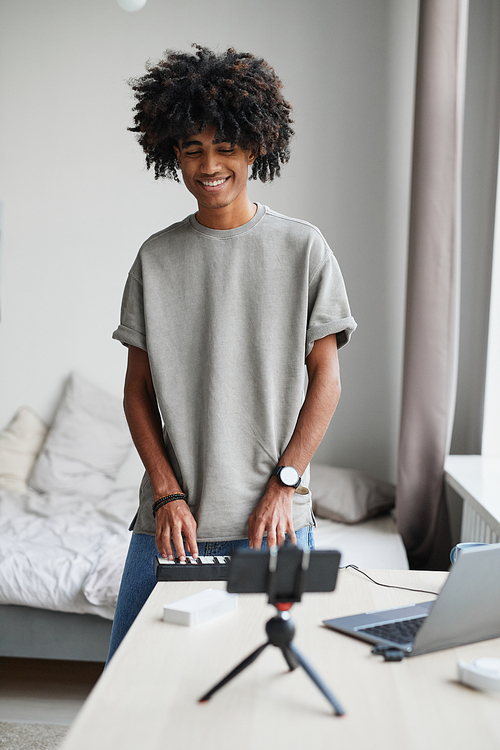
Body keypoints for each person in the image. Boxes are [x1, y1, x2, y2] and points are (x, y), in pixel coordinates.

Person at [107, 45, 356, 662]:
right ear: (173, 156)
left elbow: (326, 376)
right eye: (192, 149)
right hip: (174, 525)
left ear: (256, 147)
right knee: (130, 685)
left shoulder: (304, 249)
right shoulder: (155, 258)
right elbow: (136, 392)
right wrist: (166, 493)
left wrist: (285, 484)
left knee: (273, 683)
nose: (209, 164)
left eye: (224, 147)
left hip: (274, 523)